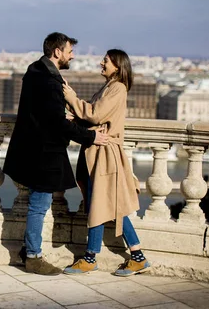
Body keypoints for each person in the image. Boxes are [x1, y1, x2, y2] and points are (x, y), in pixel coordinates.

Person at [3, 32, 109, 276]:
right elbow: (56, 124)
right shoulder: (50, 80)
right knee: (39, 206)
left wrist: (61, 114)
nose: (72, 55)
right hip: (44, 154)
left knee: (36, 204)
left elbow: (44, 113)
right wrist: (92, 136)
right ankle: (33, 257)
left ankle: (29, 249)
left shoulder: (35, 71)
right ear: (58, 51)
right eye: (70, 51)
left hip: (29, 149)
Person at [62, 49, 150, 277]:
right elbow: (91, 115)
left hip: (104, 155)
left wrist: (71, 96)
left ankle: (91, 258)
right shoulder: (109, 86)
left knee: (101, 203)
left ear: (118, 66)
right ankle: (137, 257)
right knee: (107, 204)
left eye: (106, 61)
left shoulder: (117, 88)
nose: (102, 63)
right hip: (96, 152)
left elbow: (95, 114)